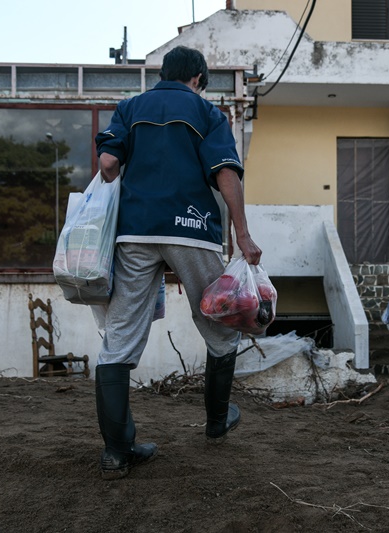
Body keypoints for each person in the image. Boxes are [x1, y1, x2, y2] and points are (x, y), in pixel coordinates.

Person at [93, 46, 262, 480]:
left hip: (134, 232)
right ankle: (216, 421)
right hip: (192, 226)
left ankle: (116, 451)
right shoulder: (207, 113)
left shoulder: (130, 107)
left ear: (163, 74)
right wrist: (241, 234)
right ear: (198, 79)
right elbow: (226, 173)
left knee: (120, 338)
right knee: (220, 323)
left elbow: (109, 163)